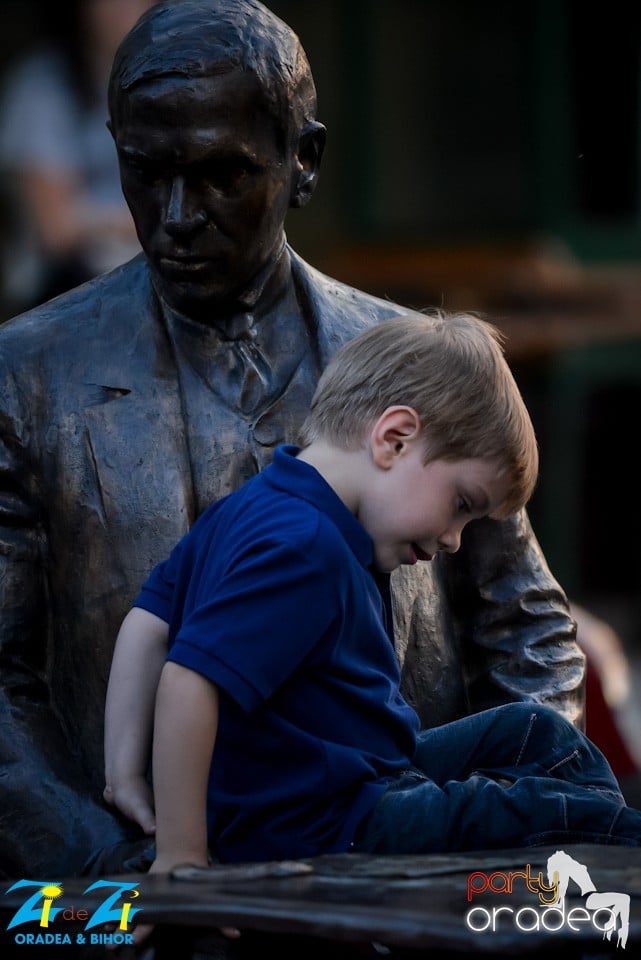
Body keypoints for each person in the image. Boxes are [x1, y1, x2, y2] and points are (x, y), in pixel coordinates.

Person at [0, 0, 583, 881]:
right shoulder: (25, 374)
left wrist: (488, 859)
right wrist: (121, 871)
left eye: (222, 175)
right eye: (144, 172)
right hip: (135, 889)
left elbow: (526, 630)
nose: (176, 215)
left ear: (301, 161)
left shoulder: (414, 366)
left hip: (396, 871)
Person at [105, 313, 641, 950]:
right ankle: (608, 897)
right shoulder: (302, 547)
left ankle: (579, 909)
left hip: (366, 775)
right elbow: (190, 677)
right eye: (463, 506)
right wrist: (182, 860)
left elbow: (148, 622)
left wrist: (125, 772)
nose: (452, 541)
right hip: (331, 824)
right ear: (395, 439)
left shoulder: (254, 506)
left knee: (539, 733)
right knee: (549, 817)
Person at [0, 0, 155, 315]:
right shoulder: (41, 87)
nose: (126, 7)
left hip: (155, 282)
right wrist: (144, 219)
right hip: (63, 294)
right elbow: (55, 229)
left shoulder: (170, 81)